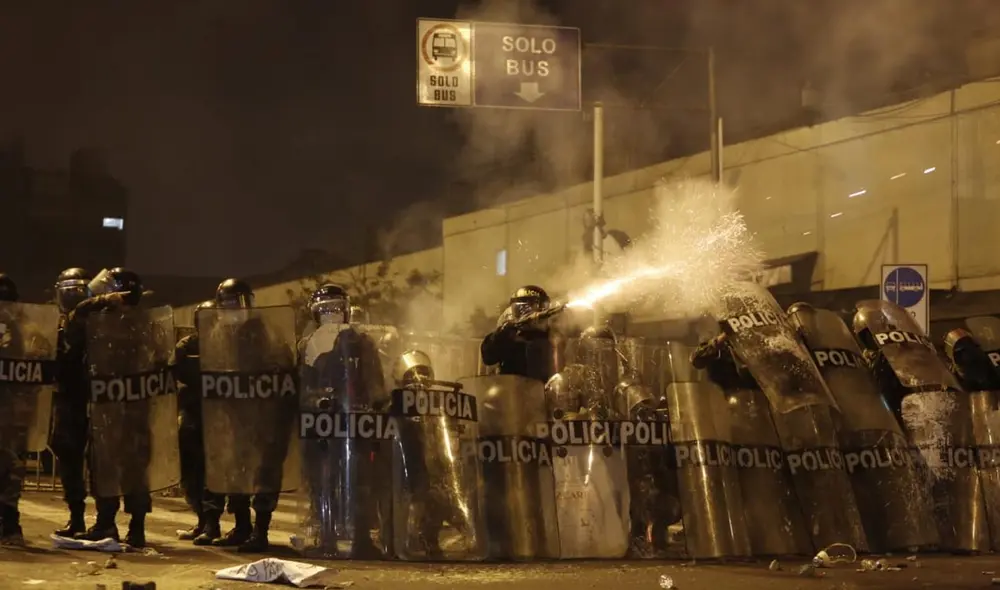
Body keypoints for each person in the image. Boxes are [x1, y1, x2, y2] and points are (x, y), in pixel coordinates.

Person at [67, 267, 153, 546]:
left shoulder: (117, 323)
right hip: (126, 407)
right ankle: (126, 528)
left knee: (114, 466)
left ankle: (116, 525)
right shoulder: (139, 322)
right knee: (124, 467)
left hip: (117, 408)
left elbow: (76, 317)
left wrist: (102, 302)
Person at [207, 278, 290, 552]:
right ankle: (241, 526)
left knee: (265, 472)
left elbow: (282, 367)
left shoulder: (267, 331)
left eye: (238, 303)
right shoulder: (217, 333)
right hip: (234, 415)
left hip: (264, 415)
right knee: (236, 470)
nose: (233, 309)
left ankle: (260, 531)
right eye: (228, 304)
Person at [174, 300, 224, 545]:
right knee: (190, 471)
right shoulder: (187, 345)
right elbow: (172, 371)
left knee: (212, 472)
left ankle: (212, 524)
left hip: (219, 415)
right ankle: (202, 520)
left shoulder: (227, 342)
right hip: (192, 414)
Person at [50, 267, 92, 538]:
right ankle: (77, 517)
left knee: (104, 459)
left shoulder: (102, 321)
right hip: (70, 396)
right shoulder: (60, 324)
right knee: (69, 457)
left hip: (96, 396)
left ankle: (107, 521)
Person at [480, 285, 560, 383]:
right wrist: (503, 333)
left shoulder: (553, 335)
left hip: (546, 390)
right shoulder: (508, 334)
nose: (535, 314)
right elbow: (488, 357)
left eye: (540, 308)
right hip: (512, 390)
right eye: (527, 309)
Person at [0, 274, 27, 545]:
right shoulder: (21, 328)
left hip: (9, 409)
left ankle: (10, 525)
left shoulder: (21, 329)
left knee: (10, 470)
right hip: (10, 409)